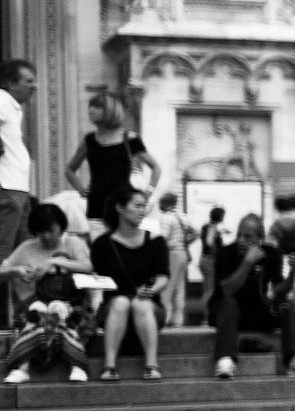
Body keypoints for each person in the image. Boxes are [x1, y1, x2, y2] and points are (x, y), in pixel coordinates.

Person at [209, 212, 295, 378]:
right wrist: (247, 263)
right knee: (228, 302)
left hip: (258, 311)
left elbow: (279, 290)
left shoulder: (271, 253)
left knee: (286, 303)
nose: (241, 240)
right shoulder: (225, 253)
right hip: (228, 314)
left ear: (259, 239)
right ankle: (225, 361)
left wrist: (293, 272)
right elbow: (227, 289)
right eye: (239, 235)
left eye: (247, 236)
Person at [1, 202, 94, 383]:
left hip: (72, 305)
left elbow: (88, 266)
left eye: (51, 230)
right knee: (36, 315)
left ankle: (76, 365)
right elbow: (2, 271)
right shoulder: (27, 247)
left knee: (61, 313)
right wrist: (16, 271)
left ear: (61, 227)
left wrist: (54, 262)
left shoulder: (72, 243)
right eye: (41, 232)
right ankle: (22, 368)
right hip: (35, 306)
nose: (46, 236)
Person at [88, 185, 169, 381]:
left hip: (149, 307)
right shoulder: (102, 244)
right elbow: (96, 276)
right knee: (121, 302)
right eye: (137, 205)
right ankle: (109, 366)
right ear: (120, 208)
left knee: (140, 303)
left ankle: (151, 365)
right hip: (113, 309)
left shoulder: (156, 241)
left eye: (144, 206)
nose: (142, 210)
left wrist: (150, 290)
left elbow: (163, 277)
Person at [64, 90, 158, 238]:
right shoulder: (89, 140)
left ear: (110, 110)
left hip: (125, 207)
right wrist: (81, 189)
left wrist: (148, 193)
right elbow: (70, 169)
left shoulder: (130, 138)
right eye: (91, 106)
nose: (91, 110)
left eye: (97, 107)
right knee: (100, 248)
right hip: (97, 206)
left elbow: (156, 167)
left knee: (124, 247)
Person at [0, 60, 34, 298]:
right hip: (8, 188)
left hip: (18, 188)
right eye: (28, 81)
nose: (35, 86)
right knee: (3, 257)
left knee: (24, 254)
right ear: (11, 83)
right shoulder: (2, 99)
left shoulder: (12, 106)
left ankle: (23, 311)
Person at [148, 190, 196, 328]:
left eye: (160, 203)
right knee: (180, 289)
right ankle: (178, 320)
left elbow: (162, 239)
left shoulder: (166, 218)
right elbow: (195, 232)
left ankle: (164, 318)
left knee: (167, 288)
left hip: (171, 254)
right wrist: (185, 243)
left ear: (165, 203)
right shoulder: (183, 216)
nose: (159, 206)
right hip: (183, 253)